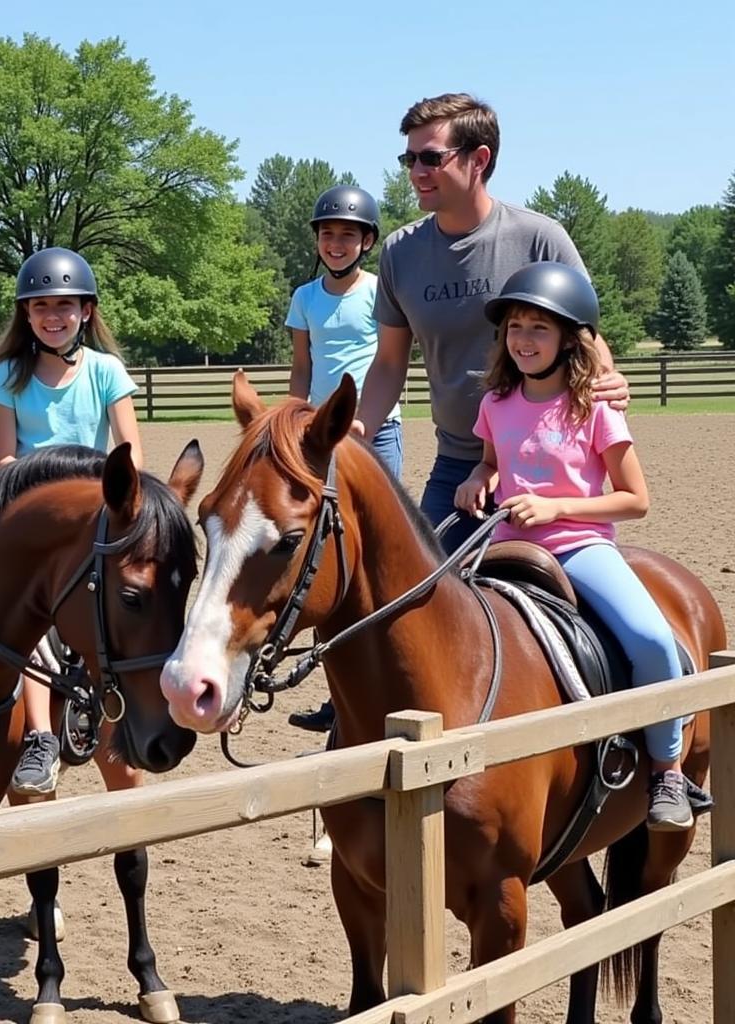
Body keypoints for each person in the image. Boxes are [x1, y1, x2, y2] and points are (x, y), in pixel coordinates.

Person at [453, 261, 692, 831]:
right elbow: (492, 462)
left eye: (539, 328)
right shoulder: (496, 403)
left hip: (579, 546)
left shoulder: (595, 408)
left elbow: (636, 499)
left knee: (653, 638)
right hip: (506, 547)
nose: (524, 340)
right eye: (515, 327)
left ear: (569, 339)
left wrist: (558, 507)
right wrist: (477, 478)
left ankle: (668, 772)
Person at [353, 93, 629, 552]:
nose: (416, 171)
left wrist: (609, 380)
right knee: (417, 599)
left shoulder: (539, 238)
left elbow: (586, 339)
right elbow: (388, 363)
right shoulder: (401, 253)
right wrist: (358, 428)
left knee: (565, 607)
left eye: (430, 157)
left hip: (542, 472)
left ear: (479, 158)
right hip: (458, 467)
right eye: (409, 158)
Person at [0, 246, 142, 795]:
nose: (54, 316)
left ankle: (137, 706)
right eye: (42, 306)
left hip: (92, 515)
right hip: (30, 516)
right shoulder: (9, 375)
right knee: (16, 613)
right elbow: (3, 462)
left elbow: (130, 454)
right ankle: (38, 735)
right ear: (26, 315)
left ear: (87, 312)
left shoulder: (105, 371)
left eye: (65, 306)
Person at [286, 184, 401, 734]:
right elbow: (302, 368)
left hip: (376, 432)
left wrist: (367, 419)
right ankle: (339, 695)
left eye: (347, 235)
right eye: (327, 235)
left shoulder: (381, 293)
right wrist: (296, 419)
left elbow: (390, 359)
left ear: (366, 242)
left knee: (378, 557)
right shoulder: (305, 297)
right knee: (321, 557)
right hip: (321, 436)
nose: (335, 244)